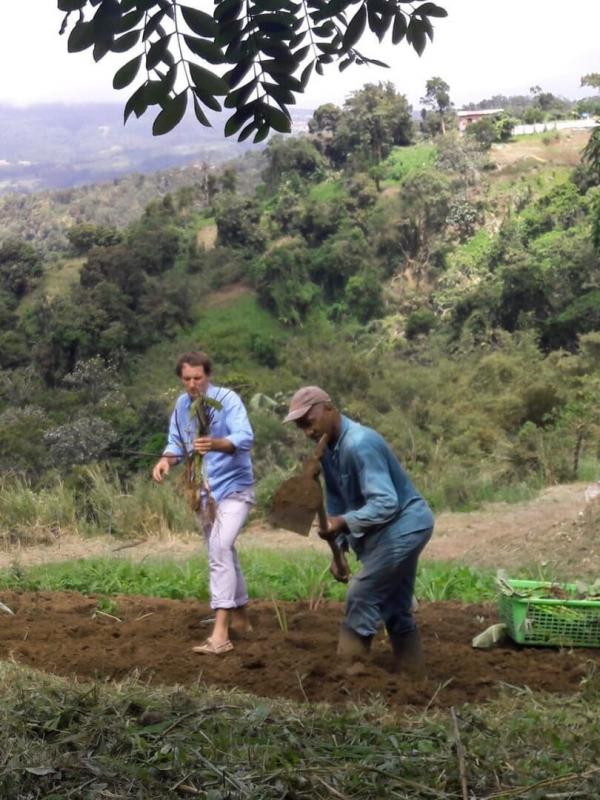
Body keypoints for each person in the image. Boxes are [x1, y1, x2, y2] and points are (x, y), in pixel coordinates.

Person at [284, 386, 434, 673]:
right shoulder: (328, 450)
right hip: (387, 531)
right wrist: (338, 549)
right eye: (300, 426)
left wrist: (340, 523)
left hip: (406, 524)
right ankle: (414, 677)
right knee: (395, 604)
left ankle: (350, 673)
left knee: (361, 591)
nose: (306, 432)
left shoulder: (360, 444)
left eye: (309, 421)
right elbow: (338, 500)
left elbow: (386, 502)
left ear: (328, 408)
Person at [152, 351, 255, 655]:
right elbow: (177, 443)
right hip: (204, 493)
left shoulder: (227, 399)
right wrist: (165, 461)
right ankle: (242, 619)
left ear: (208, 376)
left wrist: (217, 444)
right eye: (187, 379)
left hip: (235, 488)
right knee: (224, 550)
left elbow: (245, 438)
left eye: (198, 378)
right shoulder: (183, 406)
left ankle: (220, 634)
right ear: (181, 380)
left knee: (219, 549)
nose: (193, 384)